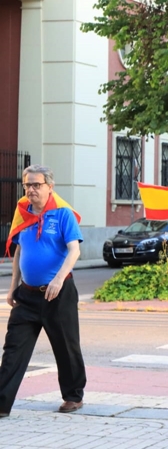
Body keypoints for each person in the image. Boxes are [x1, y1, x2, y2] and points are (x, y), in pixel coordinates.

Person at [0, 165, 85, 419]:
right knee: (13, 348)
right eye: (27, 185)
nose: (31, 190)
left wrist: (59, 279)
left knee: (66, 346)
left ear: (50, 187)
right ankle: (2, 403)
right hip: (27, 295)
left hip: (58, 294)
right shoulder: (22, 213)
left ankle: (73, 396)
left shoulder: (62, 214)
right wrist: (13, 285)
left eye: (37, 185)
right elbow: (18, 251)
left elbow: (74, 250)